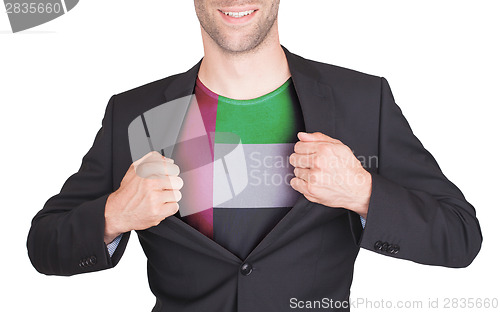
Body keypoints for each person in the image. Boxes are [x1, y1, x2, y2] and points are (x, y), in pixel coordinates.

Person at [27, 1, 482, 311]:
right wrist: (114, 214)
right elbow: (44, 245)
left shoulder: (363, 101)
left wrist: (363, 192)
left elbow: (460, 236)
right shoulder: (134, 113)